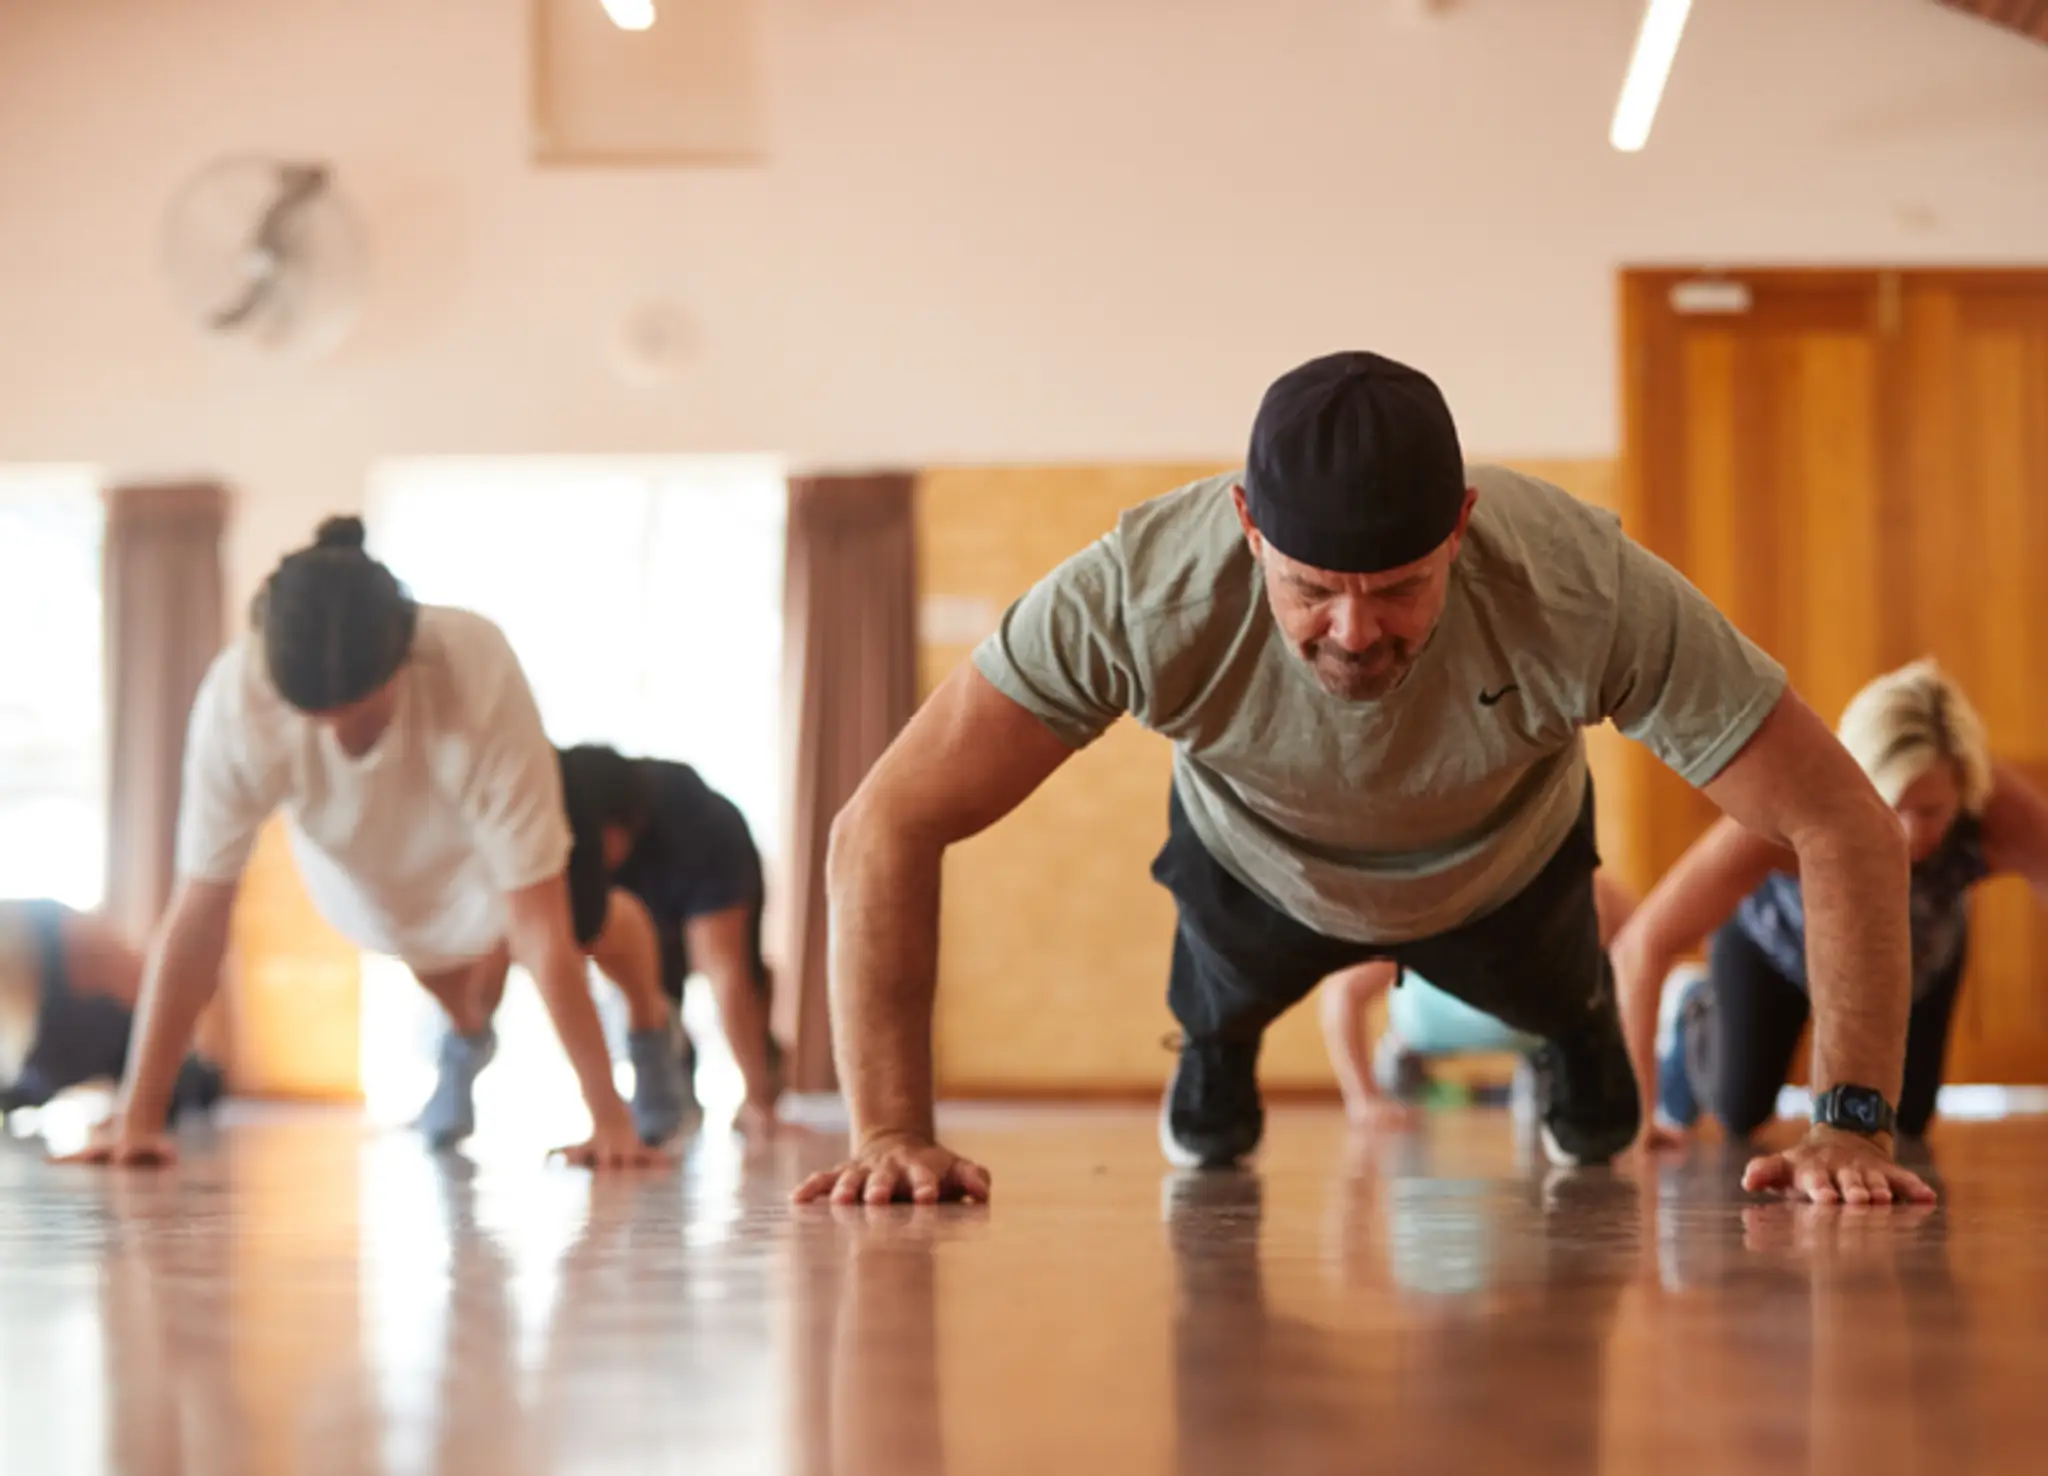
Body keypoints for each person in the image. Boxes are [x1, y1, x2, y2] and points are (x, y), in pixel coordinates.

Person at [794, 350, 1935, 1208]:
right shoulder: (1140, 595)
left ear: (1461, 528)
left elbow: (1841, 822)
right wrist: (888, 1128)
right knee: (1214, 1046)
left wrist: (1848, 1125)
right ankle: (1216, 1048)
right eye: (1310, 588)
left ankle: (1575, 1031)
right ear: (1244, 526)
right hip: (1250, 869)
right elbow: (882, 823)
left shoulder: (1578, 587)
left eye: (1396, 586)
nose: (1352, 630)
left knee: (1591, 1107)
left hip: (1507, 870)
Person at [58, 516, 667, 1169]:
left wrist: (609, 1119)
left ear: (407, 654)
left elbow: (539, 924)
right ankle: (463, 1049)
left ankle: (656, 1041)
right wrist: (139, 1115)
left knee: (587, 927)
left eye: (366, 714)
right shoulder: (237, 701)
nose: (343, 738)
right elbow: (198, 916)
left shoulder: (472, 663)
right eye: (316, 720)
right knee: (456, 988)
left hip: (483, 853)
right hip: (360, 869)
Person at [1619, 659, 2048, 1148]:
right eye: (1891, 805)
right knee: (1739, 1110)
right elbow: (1642, 944)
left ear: (1965, 789)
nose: (1908, 834)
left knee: (1906, 1119)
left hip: (1919, 947)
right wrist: (1636, 1117)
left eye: (1931, 811)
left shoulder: (1997, 808)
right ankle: (1694, 1010)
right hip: (1775, 949)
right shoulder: (1787, 804)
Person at [546, 743, 782, 1135]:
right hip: (647, 906)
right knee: (661, 990)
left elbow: (725, 971)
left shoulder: (701, 827)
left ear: (613, 828)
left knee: (742, 979)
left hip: (717, 856)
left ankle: (764, 1082)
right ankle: (675, 1088)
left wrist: (755, 1099)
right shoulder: (582, 836)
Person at [1321, 871, 1636, 1127]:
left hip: (1545, 1036)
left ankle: (1552, 1067)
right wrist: (1363, 1099)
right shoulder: (1428, 904)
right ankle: (1399, 1056)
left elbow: (1642, 963)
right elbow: (1343, 993)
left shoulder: (1588, 894)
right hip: (1426, 1029)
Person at [0, 898, 222, 1120]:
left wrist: (135, 1109)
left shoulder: (61, 930)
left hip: (146, 1058)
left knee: (192, 1084)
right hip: (52, 1070)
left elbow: (149, 993)